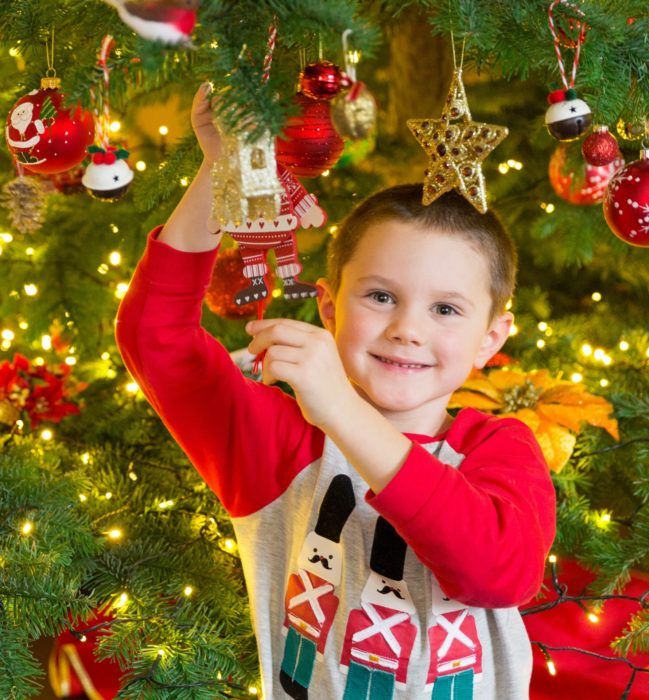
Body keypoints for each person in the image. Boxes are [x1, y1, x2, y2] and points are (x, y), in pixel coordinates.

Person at [115, 83, 556, 700]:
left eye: (446, 309)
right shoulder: (280, 440)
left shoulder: (499, 447)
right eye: (380, 297)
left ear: (491, 338)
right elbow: (154, 336)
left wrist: (345, 410)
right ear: (328, 306)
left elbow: (498, 572)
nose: (406, 330)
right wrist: (221, 168)